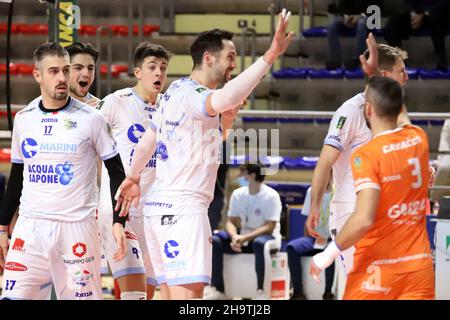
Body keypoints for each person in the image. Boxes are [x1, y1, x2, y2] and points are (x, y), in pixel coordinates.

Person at [114, 9, 294, 300]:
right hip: (184, 212)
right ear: (209, 58)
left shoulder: (174, 91)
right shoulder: (195, 95)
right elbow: (229, 95)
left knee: (171, 295)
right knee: (188, 299)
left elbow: (152, 138)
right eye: (231, 57)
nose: (234, 64)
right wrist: (270, 55)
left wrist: (133, 176)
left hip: (159, 208)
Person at [0, 42, 127, 300]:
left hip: (77, 228)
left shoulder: (92, 118)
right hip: (31, 228)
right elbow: (17, 178)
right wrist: (3, 227)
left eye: (65, 70)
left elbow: (117, 172)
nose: (62, 78)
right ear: (38, 75)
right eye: (54, 71)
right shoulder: (24, 118)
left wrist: (118, 222)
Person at [311, 76, 434, 300]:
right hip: (418, 266)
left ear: (368, 110)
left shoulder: (367, 155)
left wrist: (327, 254)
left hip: (380, 269)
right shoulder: (418, 138)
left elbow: (364, 218)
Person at [306, 33, 411, 296]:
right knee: (363, 287)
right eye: (402, 71)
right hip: (351, 211)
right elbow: (325, 163)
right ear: (385, 75)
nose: (407, 77)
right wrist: (316, 206)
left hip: (383, 210)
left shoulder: (392, 113)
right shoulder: (350, 112)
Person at [96, 42, 171, 300]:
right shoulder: (116, 102)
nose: (159, 73)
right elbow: (91, 148)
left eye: (163, 68)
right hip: (119, 207)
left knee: (145, 293)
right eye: (152, 67)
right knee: (134, 293)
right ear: (138, 72)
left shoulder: (169, 108)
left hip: (152, 210)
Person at [205, 163, 282, 300]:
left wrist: (245, 238)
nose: (239, 176)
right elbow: (230, 221)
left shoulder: (271, 196)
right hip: (243, 236)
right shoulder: (238, 194)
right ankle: (219, 289)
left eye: (242, 173)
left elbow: (269, 226)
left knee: (259, 243)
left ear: (251, 175)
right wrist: (235, 236)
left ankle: (261, 291)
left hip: (267, 238)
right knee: (216, 240)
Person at [286, 179, 335, 300]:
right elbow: (308, 220)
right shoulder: (312, 191)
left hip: (332, 239)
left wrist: (331, 238)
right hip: (313, 238)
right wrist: (308, 238)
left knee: (330, 250)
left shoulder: (339, 191)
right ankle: (298, 292)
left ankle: (328, 293)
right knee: (292, 247)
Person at [383, 0, 450, 71]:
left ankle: (441, 57)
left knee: (436, 20)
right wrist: (413, 15)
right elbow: (408, 3)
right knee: (392, 24)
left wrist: (423, 15)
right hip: (417, 13)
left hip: (438, 14)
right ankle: (395, 57)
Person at [326, 0, 382, 70]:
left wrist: (360, 16)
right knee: (332, 25)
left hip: (368, 17)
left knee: (361, 23)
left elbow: (376, 8)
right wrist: (345, 16)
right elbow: (342, 6)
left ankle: (358, 59)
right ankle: (335, 59)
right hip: (350, 17)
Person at [65, 42, 100, 106]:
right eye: (78, 68)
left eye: (90, 68)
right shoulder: (46, 107)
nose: (86, 74)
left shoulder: (101, 109)